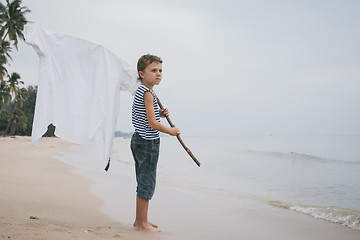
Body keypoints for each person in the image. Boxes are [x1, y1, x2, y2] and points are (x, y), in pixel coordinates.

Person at [130, 54, 180, 232]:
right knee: (147, 182)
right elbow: (152, 124)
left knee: (143, 180)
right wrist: (171, 131)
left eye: (160, 70)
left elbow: (145, 116)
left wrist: (160, 113)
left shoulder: (142, 91)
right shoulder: (148, 93)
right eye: (154, 70)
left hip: (138, 140)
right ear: (142, 74)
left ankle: (140, 220)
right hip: (147, 143)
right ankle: (142, 223)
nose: (158, 74)